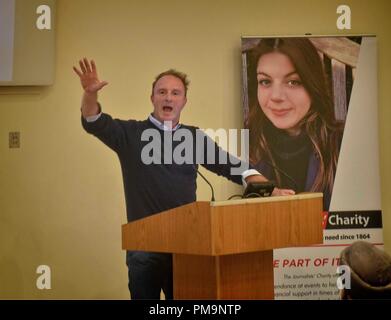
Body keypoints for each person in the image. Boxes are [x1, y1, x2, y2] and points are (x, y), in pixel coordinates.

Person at [73, 58, 294, 299]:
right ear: (152, 98)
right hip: (144, 246)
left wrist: (268, 189)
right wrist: (89, 94)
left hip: (186, 245)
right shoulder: (130, 134)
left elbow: (231, 165)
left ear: (184, 101)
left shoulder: (193, 137)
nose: (168, 97)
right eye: (162, 92)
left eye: (175, 93)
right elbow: (93, 121)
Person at [246, 38, 345, 211]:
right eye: (265, 81)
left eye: (293, 82)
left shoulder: (343, 144)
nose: (276, 96)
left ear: (312, 86)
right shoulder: (243, 144)